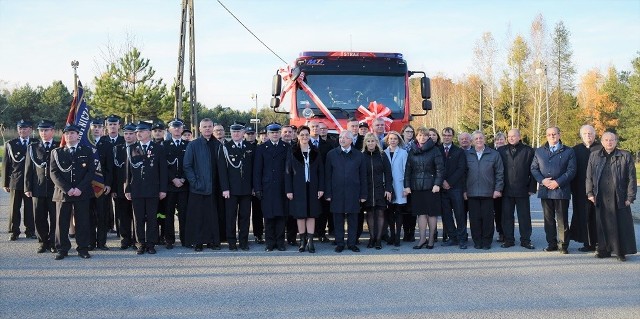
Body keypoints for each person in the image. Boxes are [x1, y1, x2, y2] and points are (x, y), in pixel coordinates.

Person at [586, 132, 637, 261]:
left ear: (616, 141)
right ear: (602, 142)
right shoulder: (594, 155)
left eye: (612, 140)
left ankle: (620, 251)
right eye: (606, 140)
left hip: (619, 196)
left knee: (620, 224)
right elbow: (589, 176)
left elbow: (632, 178)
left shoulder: (625, 156)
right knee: (602, 223)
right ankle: (604, 250)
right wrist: (590, 193)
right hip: (600, 196)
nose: (609, 142)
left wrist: (630, 197)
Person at [50, 124, 95, 260]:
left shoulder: (87, 151)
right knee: (61, 222)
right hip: (63, 193)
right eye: (67, 134)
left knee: (82, 222)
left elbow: (90, 172)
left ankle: (83, 248)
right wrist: (67, 189)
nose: (69, 136)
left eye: (72, 133)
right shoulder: (56, 152)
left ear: (78, 135)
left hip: (82, 192)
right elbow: (53, 173)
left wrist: (79, 188)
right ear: (64, 136)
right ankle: (62, 249)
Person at [124, 122, 168, 255]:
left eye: (141, 131)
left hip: (152, 189)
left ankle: (151, 244)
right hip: (136, 189)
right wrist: (127, 189)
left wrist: (163, 189)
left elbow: (163, 171)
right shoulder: (131, 148)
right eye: (137, 132)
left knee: (152, 218)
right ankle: (140, 243)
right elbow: (127, 172)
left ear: (149, 132)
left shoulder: (158, 148)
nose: (138, 134)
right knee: (138, 218)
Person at [531, 127, 576, 254]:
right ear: (546, 136)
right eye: (549, 134)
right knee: (548, 219)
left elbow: (571, 170)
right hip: (545, 190)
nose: (551, 136)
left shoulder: (568, 151)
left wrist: (557, 182)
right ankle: (551, 243)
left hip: (561, 190)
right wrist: (542, 180)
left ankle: (563, 245)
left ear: (559, 135)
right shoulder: (539, 151)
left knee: (562, 219)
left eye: (554, 134)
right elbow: (534, 168)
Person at [183, 118, 227, 251]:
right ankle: (198, 242)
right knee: (198, 217)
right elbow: (187, 165)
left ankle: (213, 241)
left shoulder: (218, 145)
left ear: (213, 128)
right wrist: (195, 182)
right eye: (205, 127)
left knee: (213, 216)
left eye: (209, 126)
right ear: (200, 129)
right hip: (198, 187)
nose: (207, 129)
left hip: (215, 187)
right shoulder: (193, 145)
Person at [325, 130, 367, 253]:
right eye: (340, 137)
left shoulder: (359, 155)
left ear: (351, 140)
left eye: (345, 137)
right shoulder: (331, 154)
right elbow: (328, 175)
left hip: (354, 192)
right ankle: (340, 243)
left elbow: (363, 176)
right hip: (336, 192)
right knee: (337, 219)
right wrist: (328, 193)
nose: (342, 139)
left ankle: (352, 243)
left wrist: (363, 194)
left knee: (353, 219)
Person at [285, 125, 324, 253]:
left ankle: (311, 242)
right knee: (300, 215)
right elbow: (288, 172)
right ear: (298, 136)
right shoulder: (292, 151)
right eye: (302, 135)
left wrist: (321, 188)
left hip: (313, 187)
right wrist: (289, 190)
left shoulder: (315, 151)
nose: (305, 137)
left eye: (307, 134)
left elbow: (320, 171)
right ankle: (302, 241)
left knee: (311, 214)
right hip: (297, 188)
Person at [404, 127, 444, 250]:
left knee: (431, 214)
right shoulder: (412, 150)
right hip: (417, 187)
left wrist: (437, 184)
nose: (423, 138)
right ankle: (422, 239)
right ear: (417, 137)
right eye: (420, 135)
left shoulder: (435, 150)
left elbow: (440, 169)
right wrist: (407, 186)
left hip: (431, 187)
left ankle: (431, 239)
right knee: (420, 214)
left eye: (425, 136)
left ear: (428, 137)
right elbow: (408, 170)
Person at [497, 129, 536, 249]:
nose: (511, 138)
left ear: (519, 136)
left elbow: (534, 170)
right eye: (509, 136)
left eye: (514, 136)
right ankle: (509, 240)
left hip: (523, 189)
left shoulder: (528, 150)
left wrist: (532, 188)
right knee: (507, 216)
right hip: (506, 190)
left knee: (524, 216)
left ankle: (526, 240)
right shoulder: (501, 150)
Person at [464, 131, 504, 250]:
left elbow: (500, 173)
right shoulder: (467, 155)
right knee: (474, 219)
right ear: (472, 141)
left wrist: (498, 189)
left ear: (485, 140)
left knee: (488, 219)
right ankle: (477, 241)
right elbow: (463, 174)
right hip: (472, 193)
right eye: (476, 138)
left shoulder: (494, 154)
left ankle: (487, 241)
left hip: (489, 193)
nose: (478, 140)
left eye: (481, 138)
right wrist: (464, 191)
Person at [24, 120, 59, 253]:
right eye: (41, 130)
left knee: (55, 217)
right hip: (38, 188)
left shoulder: (58, 146)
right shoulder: (33, 147)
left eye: (46, 130)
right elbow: (28, 169)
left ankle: (54, 242)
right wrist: (27, 187)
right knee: (39, 217)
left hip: (55, 189)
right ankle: (43, 242)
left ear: (53, 131)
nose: (43, 133)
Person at [253, 122, 289, 251]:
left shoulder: (286, 147)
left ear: (280, 134)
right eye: (272, 133)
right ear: (268, 134)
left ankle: (280, 243)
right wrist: (257, 188)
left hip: (281, 187)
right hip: (267, 187)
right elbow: (257, 170)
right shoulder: (261, 148)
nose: (275, 134)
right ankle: (270, 243)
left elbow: (289, 169)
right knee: (268, 217)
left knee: (280, 216)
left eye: (277, 132)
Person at [218, 122, 254, 251]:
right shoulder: (225, 147)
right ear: (231, 133)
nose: (236, 134)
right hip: (231, 190)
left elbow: (253, 170)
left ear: (243, 133)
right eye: (234, 132)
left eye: (238, 131)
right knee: (231, 217)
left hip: (246, 189)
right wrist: (225, 188)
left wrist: (254, 187)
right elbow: (222, 171)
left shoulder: (250, 147)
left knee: (245, 217)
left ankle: (244, 242)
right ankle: (231, 241)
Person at [3, 119, 38, 240]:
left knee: (30, 208)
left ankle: (30, 230)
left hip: (31, 182)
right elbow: (6, 164)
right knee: (14, 207)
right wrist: (5, 183)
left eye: (25, 128)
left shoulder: (35, 143)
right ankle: (14, 231)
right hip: (16, 180)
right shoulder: (11, 144)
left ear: (30, 129)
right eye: (20, 128)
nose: (22, 130)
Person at [570, 125, 602, 252]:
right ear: (581, 135)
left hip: (598, 189)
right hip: (579, 189)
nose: (588, 136)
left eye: (590, 133)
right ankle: (587, 242)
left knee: (597, 216)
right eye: (585, 133)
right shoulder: (575, 150)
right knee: (583, 216)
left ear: (595, 135)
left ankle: (600, 242)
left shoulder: (601, 148)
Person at [161, 118, 190, 249]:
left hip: (184, 186)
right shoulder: (164, 145)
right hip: (170, 186)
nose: (177, 129)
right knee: (168, 214)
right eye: (174, 127)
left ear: (182, 129)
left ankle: (185, 239)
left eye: (179, 127)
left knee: (184, 214)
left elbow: (190, 164)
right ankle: (169, 239)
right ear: (170, 129)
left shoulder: (188, 145)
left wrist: (183, 179)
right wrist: (173, 179)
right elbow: (163, 166)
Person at [362, 133, 393, 249]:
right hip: (367, 190)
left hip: (381, 189)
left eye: (373, 141)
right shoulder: (362, 156)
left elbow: (388, 173)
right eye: (368, 141)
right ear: (365, 143)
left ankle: (379, 239)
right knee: (369, 213)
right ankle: (372, 238)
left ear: (376, 142)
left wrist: (388, 189)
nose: (371, 143)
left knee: (380, 213)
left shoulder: (382, 155)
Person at [439, 127, 468, 249]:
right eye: (445, 135)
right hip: (441, 187)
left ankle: (462, 239)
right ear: (442, 136)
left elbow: (461, 169)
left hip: (455, 187)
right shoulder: (437, 150)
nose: (446, 137)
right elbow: (434, 167)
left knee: (459, 214)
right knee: (446, 215)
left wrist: (449, 182)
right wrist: (442, 182)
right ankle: (453, 237)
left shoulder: (459, 151)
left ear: (452, 136)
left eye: (449, 135)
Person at [309, 120, 336, 243]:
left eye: (317, 127)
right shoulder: (304, 144)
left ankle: (321, 232)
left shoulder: (328, 145)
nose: (315, 129)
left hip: (324, 181)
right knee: (310, 207)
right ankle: (310, 233)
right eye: (313, 127)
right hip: (308, 182)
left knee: (324, 209)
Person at [90, 118, 114, 250]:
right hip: (87, 186)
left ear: (103, 129)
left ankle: (101, 242)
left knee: (102, 215)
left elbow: (110, 168)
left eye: (99, 126)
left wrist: (108, 184)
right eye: (94, 126)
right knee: (89, 216)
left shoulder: (107, 145)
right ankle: (90, 242)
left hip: (102, 186)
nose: (96, 129)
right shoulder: (85, 144)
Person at [112, 123, 137, 249]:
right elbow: (113, 171)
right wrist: (113, 188)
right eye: (126, 133)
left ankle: (135, 239)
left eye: (131, 133)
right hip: (120, 188)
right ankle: (125, 239)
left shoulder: (139, 148)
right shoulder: (118, 148)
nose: (128, 136)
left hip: (137, 188)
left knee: (136, 215)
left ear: (136, 134)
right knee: (122, 216)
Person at [383, 131, 408, 247]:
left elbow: (406, 171)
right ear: (387, 140)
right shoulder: (383, 153)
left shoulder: (403, 153)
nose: (393, 141)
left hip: (399, 186)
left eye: (395, 139)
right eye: (391, 139)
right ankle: (392, 234)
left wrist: (405, 187)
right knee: (389, 212)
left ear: (399, 140)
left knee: (398, 211)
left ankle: (398, 235)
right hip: (387, 186)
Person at [244, 126, 264, 244]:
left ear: (255, 134)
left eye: (252, 133)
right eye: (248, 133)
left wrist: (256, 186)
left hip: (257, 185)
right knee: (244, 213)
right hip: (245, 186)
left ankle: (258, 234)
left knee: (258, 212)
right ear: (244, 134)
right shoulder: (242, 147)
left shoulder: (259, 147)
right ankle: (244, 235)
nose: (250, 135)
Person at [104, 114, 124, 234]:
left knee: (120, 206)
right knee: (105, 205)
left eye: (114, 124)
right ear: (106, 126)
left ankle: (120, 230)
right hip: (106, 178)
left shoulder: (123, 140)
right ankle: (108, 226)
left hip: (120, 178)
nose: (112, 126)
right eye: (110, 124)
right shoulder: (102, 141)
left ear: (119, 126)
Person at [280, 125, 298, 246]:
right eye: (285, 132)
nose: (287, 134)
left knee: (293, 214)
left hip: (294, 184)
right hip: (279, 185)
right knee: (281, 213)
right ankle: (280, 238)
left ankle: (292, 238)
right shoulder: (277, 146)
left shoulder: (296, 147)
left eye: (289, 132)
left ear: (293, 134)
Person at [400, 124, 416, 241]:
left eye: (411, 132)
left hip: (413, 180)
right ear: (403, 133)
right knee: (404, 208)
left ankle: (412, 232)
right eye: (407, 131)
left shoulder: (416, 146)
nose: (409, 134)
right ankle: (405, 232)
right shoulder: (398, 146)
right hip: (400, 180)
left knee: (412, 208)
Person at [492, 131, 507, 243]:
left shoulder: (508, 152)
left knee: (505, 212)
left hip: (507, 187)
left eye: (501, 139)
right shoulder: (492, 153)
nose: (499, 141)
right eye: (497, 140)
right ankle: (500, 232)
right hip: (494, 187)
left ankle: (506, 232)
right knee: (497, 212)